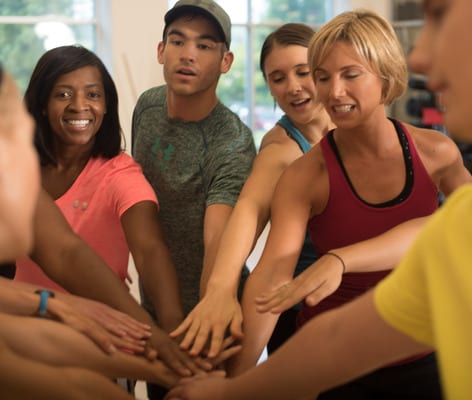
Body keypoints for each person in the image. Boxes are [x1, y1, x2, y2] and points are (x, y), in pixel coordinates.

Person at [166, 1, 472, 399]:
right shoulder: (294, 161)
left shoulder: (460, 177)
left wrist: (339, 259)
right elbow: (336, 337)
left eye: (440, 15)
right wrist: (231, 380)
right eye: (320, 77)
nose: (421, 56)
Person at [227, 9, 471, 399]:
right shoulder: (305, 176)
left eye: (350, 74)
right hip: (336, 360)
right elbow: (273, 276)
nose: (333, 92)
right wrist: (234, 384)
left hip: (423, 350)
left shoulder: (436, 152)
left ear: (385, 75)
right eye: (322, 77)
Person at [13, 45, 203, 379]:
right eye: (63, 94)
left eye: (93, 94)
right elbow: (64, 252)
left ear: (106, 105)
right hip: (22, 332)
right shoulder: (16, 170)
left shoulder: (119, 173)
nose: (79, 106)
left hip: (104, 338)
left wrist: (170, 328)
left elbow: (149, 250)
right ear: (42, 104)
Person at [170, 22, 333, 359]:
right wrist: (219, 291)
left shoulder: (355, 127)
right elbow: (248, 209)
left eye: (303, 72)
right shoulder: (281, 150)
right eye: (278, 78)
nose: (293, 87)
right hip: (304, 315)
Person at [132, 0, 256, 397]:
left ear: (225, 61)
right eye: (177, 41)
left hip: (206, 321)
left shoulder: (231, 141)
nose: (188, 54)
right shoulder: (147, 106)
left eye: (204, 46)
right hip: (151, 305)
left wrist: (204, 334)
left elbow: (218, 237)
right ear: (160, 50)